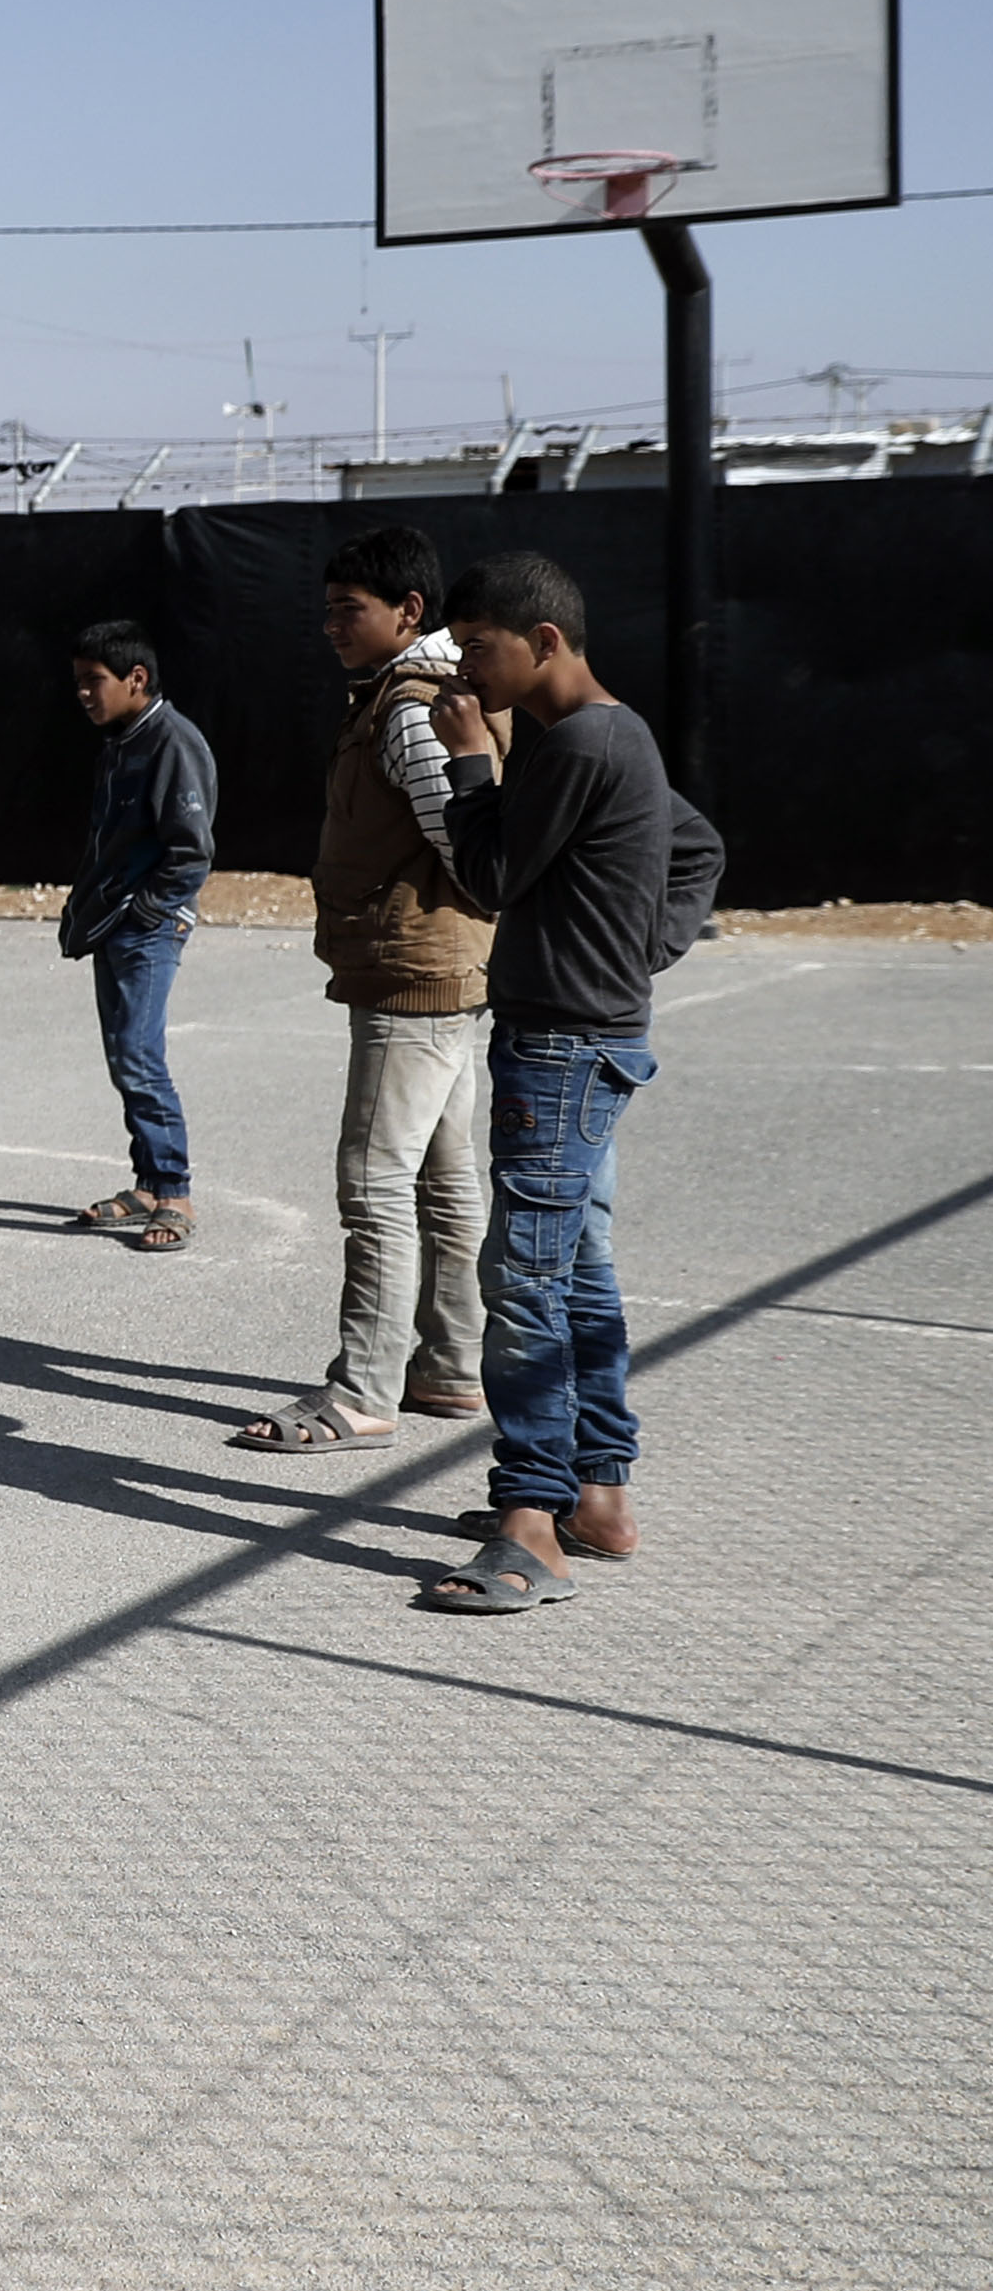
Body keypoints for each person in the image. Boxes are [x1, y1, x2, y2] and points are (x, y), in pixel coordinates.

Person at [416, 550, 721, 1614]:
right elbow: (699, 848)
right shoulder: (612, 736)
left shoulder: (575, 743)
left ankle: (532, 1524)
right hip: (584, 1035)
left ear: (545, 642)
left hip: (557, 1049)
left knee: (526, 1280)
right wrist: (632, 954)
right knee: (575, 1269)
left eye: (481, 649)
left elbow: (493, 874)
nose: (468, 671)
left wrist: (469, 765)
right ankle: (600, 1498)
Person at [237, 526, 496, 1453]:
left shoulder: (412, 708)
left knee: (374, 1180)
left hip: (414, 982)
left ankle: (362, 1392)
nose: (330, 627)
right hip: (443, 971)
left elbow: (470, 845)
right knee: (442, 1173)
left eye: (349, 610)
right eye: (328, 609)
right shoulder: (412, 696)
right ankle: (452, 1367)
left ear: (409, 612)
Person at [60, 620, 216, 1251]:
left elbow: (191, 851)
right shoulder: (121, 743)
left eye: (94, 681)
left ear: (136, 679)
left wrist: (144, 913)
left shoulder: (173, 743)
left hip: (144, 930)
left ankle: (174, 1194)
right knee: (124, 1056)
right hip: (112, 926)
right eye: (79, 683)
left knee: (138, 1054)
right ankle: (148, 1183)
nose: (84, 694)